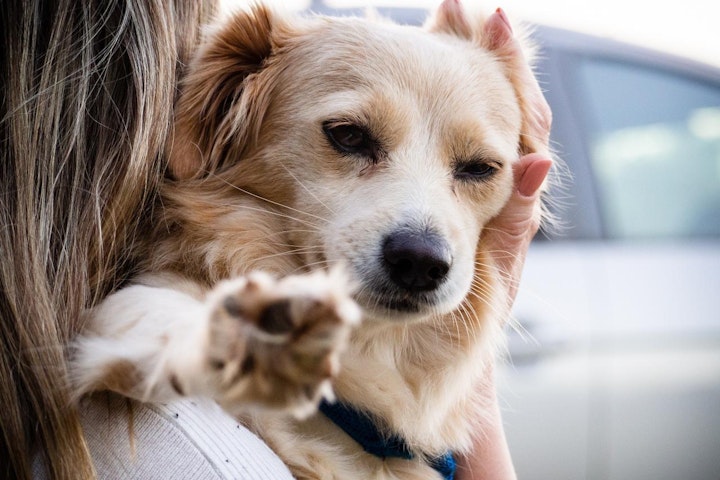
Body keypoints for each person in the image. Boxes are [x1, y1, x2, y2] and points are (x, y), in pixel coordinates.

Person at [0, 1, 551, 478]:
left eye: (477, 169)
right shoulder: (174, 421)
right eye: (350, 137)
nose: (425, 245)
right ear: (216, 114)